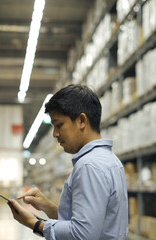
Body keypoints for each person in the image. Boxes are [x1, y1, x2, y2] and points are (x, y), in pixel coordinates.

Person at [7, 84, 129, 239]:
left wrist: (34, 223)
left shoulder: (89, 166)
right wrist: (47, 206)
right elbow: (90, 222)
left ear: (81, 121)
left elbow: (82, 234)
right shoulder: (111, 161)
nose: (55, 134)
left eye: (59, 125)